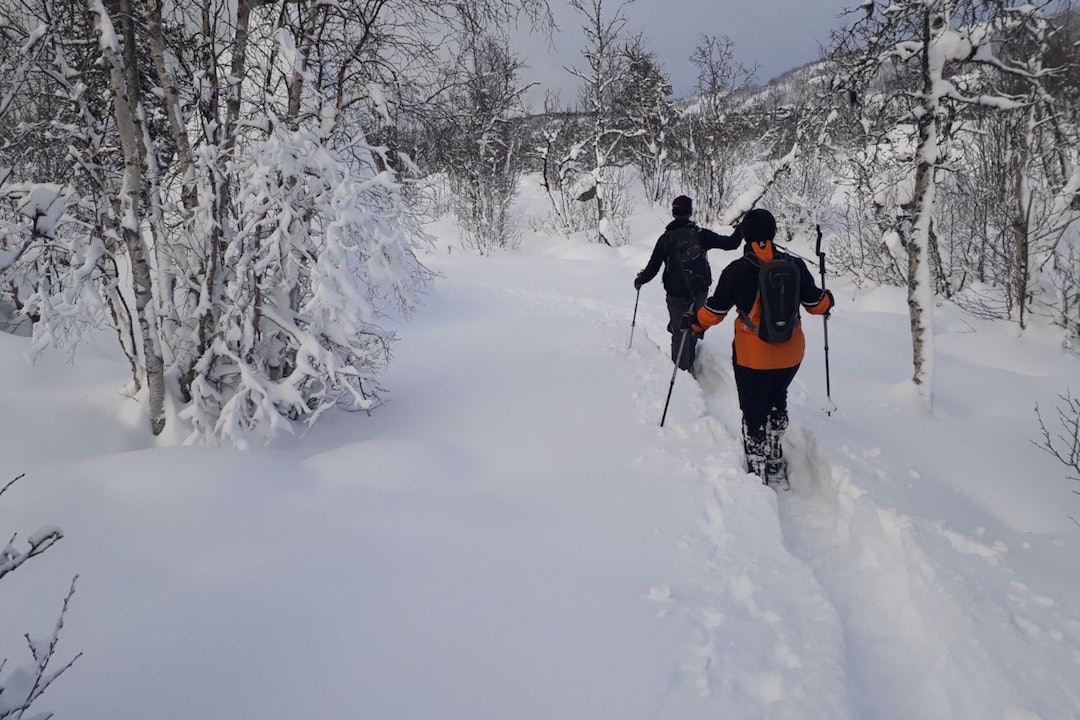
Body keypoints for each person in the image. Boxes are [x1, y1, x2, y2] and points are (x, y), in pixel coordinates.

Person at [689, 208, 834, 481]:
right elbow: (817, 305)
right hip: (791, 354)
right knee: (778, 398)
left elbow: (714, 313)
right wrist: (829, 298)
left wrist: (695, 323)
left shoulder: (736, 271)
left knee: (753, 409)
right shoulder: (795, 266)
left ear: (744, 236)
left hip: (752, 357)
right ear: (774, 232)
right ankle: (775, 450)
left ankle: (756, 460)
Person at [634, 195, 741, 373]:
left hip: (676, 295)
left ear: (673, 212)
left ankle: (681, 373)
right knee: (694, 326)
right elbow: (731, 244)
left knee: (679, 332)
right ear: (690, 212)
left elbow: (653, 268)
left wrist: (640, 281)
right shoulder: (701, 235)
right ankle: (689, 360)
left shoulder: (665, 239)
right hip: (699, 292)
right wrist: (741, 229)